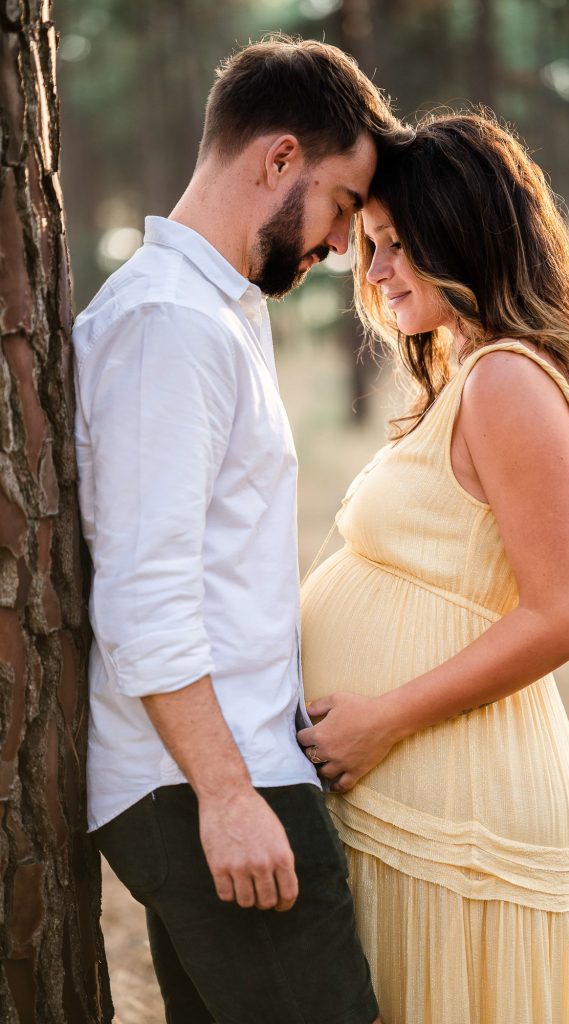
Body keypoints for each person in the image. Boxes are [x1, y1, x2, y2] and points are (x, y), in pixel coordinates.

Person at [73, 36, 408, 1024]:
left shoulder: (213, 311)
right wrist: (225, 794)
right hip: (208, 780)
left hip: (228, 762)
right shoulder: (170, 325)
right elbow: (145, 588)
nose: (346, 244)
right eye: (344, 204)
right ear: (277, 160)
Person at [299, 112, 569, 1024]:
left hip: (456, 794)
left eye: (391, 246)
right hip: (417, 791)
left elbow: (562, 616)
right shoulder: (465, 372)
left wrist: (377, 721)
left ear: (461, 234)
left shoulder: (507, 382)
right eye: (368, 244)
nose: (371, 272)